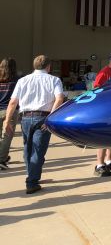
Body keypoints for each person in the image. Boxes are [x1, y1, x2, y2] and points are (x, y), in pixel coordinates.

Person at [2, 55, 64, 194]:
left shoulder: (23, 80)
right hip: (43, 117)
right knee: (38, 150)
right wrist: (51, 117)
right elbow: (59, 98)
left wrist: (7, 120)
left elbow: (13, 102)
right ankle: (32, 182)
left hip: (25, 118)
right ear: (48, 67)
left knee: (28, 148)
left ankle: (32, 174)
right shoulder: (54, 80)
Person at [0, 58, 19, 169]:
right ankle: (1, 159)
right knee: (7, 136)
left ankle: (3, 156)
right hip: (11, 111)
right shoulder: (17, 80)